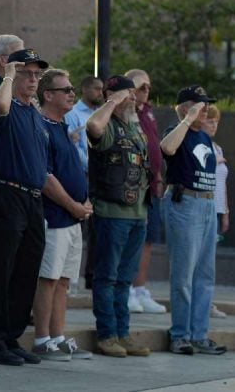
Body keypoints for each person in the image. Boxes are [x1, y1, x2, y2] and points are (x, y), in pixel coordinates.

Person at [0, 48, 48, 367]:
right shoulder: (1, 103)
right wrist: (7, 75)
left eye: (37, 74)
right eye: (26, 73)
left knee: (26, 272)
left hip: (32, 198)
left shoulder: (33, 111)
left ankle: (11, 337)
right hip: (7, 194)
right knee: (1, 273)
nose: (33, 79)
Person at [86, 75, 151, 358]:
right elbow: (93, 126)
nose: (133, 99)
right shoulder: (108, 123)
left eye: (134, 95)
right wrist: (113, 101)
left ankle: (123, 334)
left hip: (138, 214)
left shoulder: (134, 127)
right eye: (128, 94)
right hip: (111, 213)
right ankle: (107, 335)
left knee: (125, 279)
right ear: (111, 96)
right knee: (107, 277)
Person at [30, 69, 93, 362]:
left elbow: (75, 170)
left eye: (71, 88)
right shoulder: (40, 126)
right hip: (55, 217)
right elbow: (46, 177)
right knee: (49, 279)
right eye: (65, 89)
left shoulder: (62, 126)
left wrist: (85, 201)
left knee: (64, 280)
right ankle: (42, 339)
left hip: (73, 218)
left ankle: (57, 336)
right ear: (48, 95)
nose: (72, 93)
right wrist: (72, 205)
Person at [161, 85, 226, 356]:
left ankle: (199, 335)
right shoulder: (178, 132)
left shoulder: (204, 136)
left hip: (207, 204)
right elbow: (167, 147)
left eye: (207, 105)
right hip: (185, 203)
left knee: (204, 275)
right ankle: (180, 335)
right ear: (186, 107)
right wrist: (187, 119)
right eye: (201, 105)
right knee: (183, 275)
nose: (206, 110)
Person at [125, 69, 166, 314]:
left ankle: (140, 288)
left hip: (152, 185)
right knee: (132, 239)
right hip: (132, 186)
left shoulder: (149, 112)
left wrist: (158, 176)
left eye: (148, 87)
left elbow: (153, 146)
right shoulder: (126, 109)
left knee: (148, 239)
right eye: (141, 87)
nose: (145, 91)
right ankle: (127, 289)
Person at [64, 75, 104, 290]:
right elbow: (73, 148)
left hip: (97, 180)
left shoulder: (102, 115)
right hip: (81, 177)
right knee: (75, 227)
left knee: (97, 231)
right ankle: (69, 279)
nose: (100, 93)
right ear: (86, 89)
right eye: (97, 89)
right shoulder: (73, 114)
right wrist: (93, 167)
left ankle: (91, 277)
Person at [203, 105, 228, 319]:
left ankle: (208, 302)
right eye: (210, 120)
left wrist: (226, 210)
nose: (214, 125)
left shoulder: (218, 147)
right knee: (202, 259)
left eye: (216, 121)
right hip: (202, 206)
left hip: (217, 209)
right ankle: (203, 303)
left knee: (211, 260)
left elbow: (222, 183)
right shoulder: (201, 145)